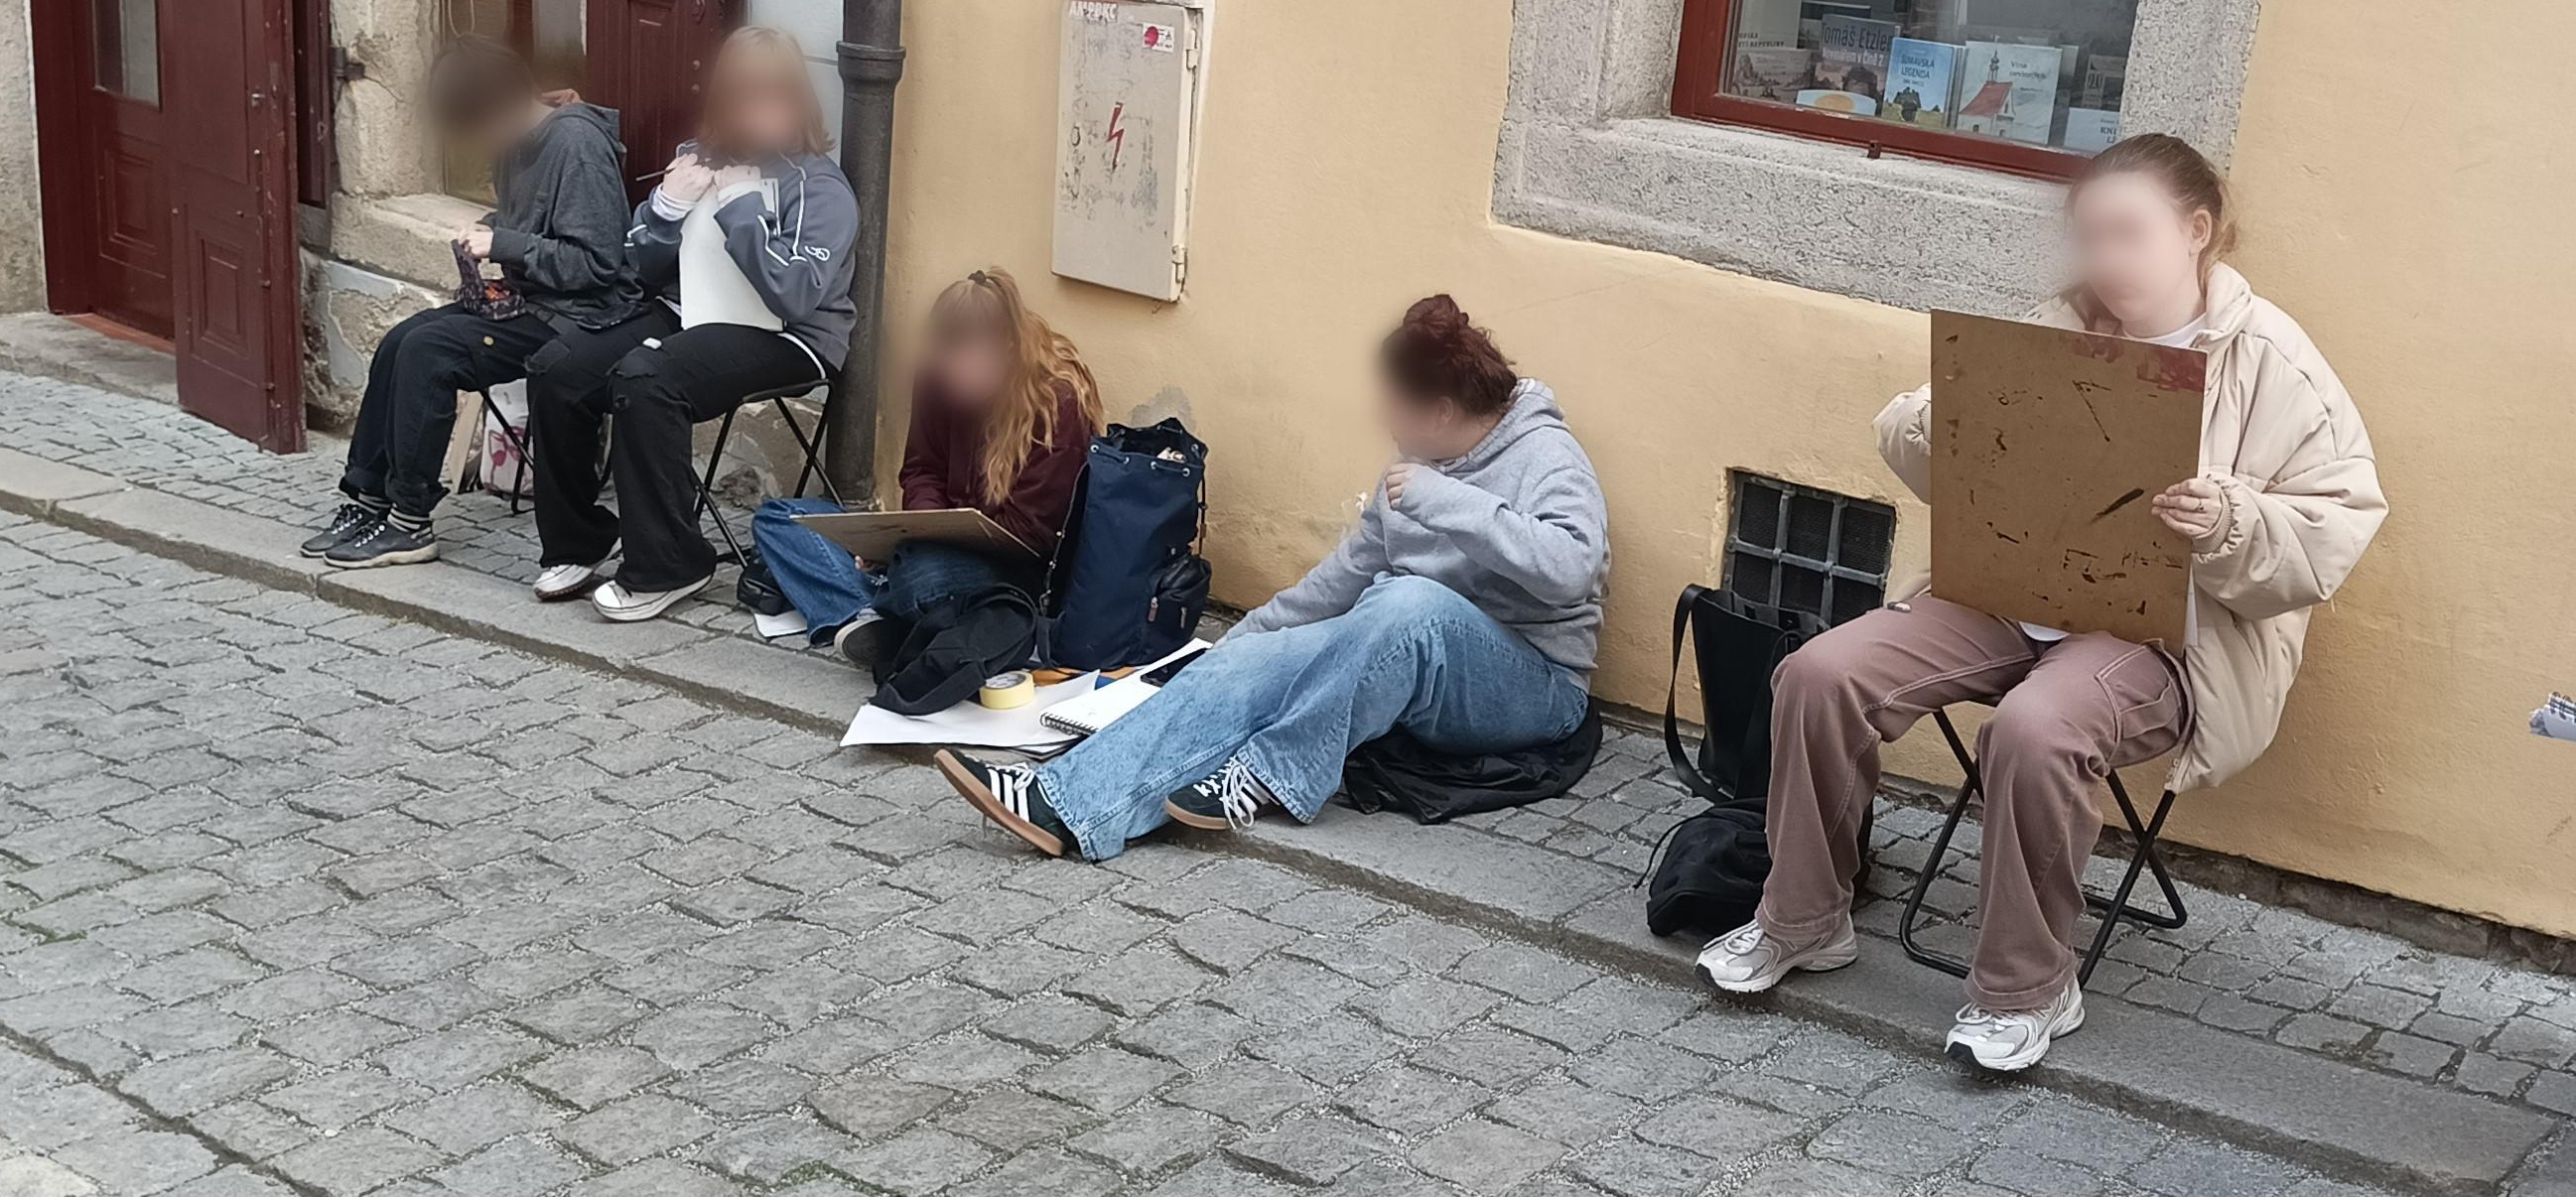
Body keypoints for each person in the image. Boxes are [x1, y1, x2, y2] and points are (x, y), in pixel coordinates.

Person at [1696, 133, 2385, 1073]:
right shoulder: (2059, 321)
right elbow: (1915, 441)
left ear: (2196, 230)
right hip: (2009, 594)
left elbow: (2333, 532)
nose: (2104, 258)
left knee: (2034, 727)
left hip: (2164, 635)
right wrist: (1948, 420)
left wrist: (2227, 519)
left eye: (2127, 233)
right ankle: (1806, 917)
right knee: (1818, 672)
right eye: (2089, 236)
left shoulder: (2275, 363)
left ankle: (2028, 985)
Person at [935, 295, 1607, 860]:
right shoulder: (1414, 467)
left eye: (1396, 405)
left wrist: (1451, 503)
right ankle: (1066, 802)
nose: (1383, 418)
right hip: (1400, 652)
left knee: (1408, 603)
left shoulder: (1546, 456)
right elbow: (1337, 584)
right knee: (1261, 653)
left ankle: (1267, 772)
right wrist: (1235, 649)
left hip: (1534, 685)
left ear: (1438, 412)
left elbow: (1570, 571)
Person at [522, 26, 858, 620]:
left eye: (773, 99)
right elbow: (642, 270)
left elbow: (796, 297)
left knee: (646, 377)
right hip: (689, 314)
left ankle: (670, 561)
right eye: (744, 99)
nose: (759, 115)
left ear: (797, 102)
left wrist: (744, 211)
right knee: (562, 367)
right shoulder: (697, 158)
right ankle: (579, 539)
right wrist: (665, 210)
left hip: (788, 338)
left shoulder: (821, 188)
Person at [305, 37, 630, 571]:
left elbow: (599, 263)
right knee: (400, 340)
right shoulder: (516, 144)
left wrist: (502, 243)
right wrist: (488, 230)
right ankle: (366, 498)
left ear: (501, 107)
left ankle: (410, 522)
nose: (480, 143)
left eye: (479, 128)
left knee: (429, 352)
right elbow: (531, 230)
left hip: (580, 318)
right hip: (530, 304)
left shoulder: (576, 147)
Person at [748, 267, 1099, 668]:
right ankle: (872, 617)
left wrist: (917, 547)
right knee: (781, 519)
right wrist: (907, 533)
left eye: (969, 361)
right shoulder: (937, 379)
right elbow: (921, 470)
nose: (955, 376)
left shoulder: (1056, 399)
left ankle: (866, 607)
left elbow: (1033, 535)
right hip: (934, 543)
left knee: (922, 578)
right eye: (948, 361)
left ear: (1006, 346)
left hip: (1010, 570)